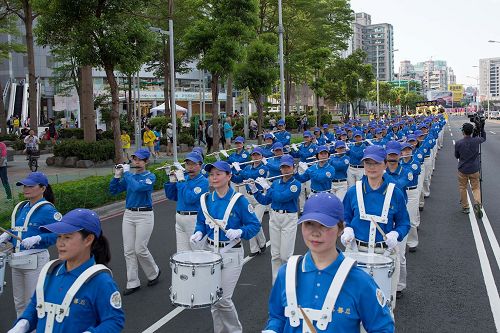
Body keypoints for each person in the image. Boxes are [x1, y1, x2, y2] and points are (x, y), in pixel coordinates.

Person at [263, 193, 395, 333]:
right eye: (309, 224)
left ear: (341, 229)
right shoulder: (286, 273)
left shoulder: (359, 281)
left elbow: (382, 327)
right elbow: (277, 317)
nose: (315, 233)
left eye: (324, 225)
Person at [8, 208, 125, 332]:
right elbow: (35, 305)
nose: (60, 244)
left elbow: (114, 320)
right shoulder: (50, 272)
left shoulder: (101, 281)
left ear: (88, 239)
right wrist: (22, 325)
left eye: (67, 237)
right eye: (59, 237)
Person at [190, 161, 260, 333]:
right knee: (213, 298)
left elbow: (254, 225)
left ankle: (235, 330)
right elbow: (201, 222)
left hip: (231, 253)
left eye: (219, 174)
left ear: (229, 176)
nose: (214, 177)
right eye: (212, 174)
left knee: (223, 299)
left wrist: (240, 232)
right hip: (210, 252)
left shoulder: (239, 200)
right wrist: (198, 232)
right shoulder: (206, 199)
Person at [341, 145, 410, 310]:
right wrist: (347, 229)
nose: (371, 167)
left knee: (383, 307)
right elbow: (345, 217)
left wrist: (396, 234)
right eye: (368, 163)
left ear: (385, 165)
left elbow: (404, 223)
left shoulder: (395, 193)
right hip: (357, 252)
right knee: (354, 307)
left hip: (384, 255)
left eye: (376, 163)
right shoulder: (353, 192)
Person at [0, 172, 61, 316]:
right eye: (24, 186)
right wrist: (7, 235)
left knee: (33, 302)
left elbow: (58, 233)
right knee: (19, 302)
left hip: (36, 260)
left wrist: (38, 239)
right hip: (18, 260)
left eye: (30, 186)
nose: (26, 189)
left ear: (42, 188)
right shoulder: (23, 207)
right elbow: (19, 230)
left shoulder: (48, 210)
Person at [109, 148, 161, 296]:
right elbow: (113, 191)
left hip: (145, 215)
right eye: (134, 159)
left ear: (146, 162)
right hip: (129, 214)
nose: (136, 162)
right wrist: (116, 176)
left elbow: (138, 188)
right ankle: (132, 282)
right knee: (128, 250)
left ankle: (154, 272)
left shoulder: (150, 176)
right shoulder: (129, 176)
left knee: (140, 249)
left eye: (139, 160)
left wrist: (126, 174)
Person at [251, 155, 301, 282]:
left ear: (293, 168)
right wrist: (255, 189)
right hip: (274, 217)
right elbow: (266, 200)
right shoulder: (276, 183)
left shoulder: (296, 184)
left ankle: (288, 281)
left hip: (289, 218)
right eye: (283, 167)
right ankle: (276, 283)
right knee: (275, 254)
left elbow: (281, 197)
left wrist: (267, 187)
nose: (285, 169)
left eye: (288, 167)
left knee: (286, 255)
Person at [164, 152, 209, 251]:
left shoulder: (204, 181)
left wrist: (181, 181)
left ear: (200, 165)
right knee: (182, 253)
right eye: (188, 164)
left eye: (194, 164)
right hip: (179, 217)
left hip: (194, 218)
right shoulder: (185, 178)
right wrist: (171, 181)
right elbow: (172, 196)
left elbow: (190, 199)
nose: (190, 167)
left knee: (198, 251)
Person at [232, 147, 269, 257]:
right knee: (250, 222)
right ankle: (256, 247)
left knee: (255, 221)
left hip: (260, 197)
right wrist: (230, 173)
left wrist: (239, 170)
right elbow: (238, 179)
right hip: (248, 197)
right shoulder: (248, 167)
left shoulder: (264, 168)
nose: (255, 157)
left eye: (258, 155)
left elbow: (253, 176)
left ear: (262, 157)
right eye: (253, 155)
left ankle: (261, 244)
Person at [455, 122, 486, 216]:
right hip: (474, 169)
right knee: (476, 188)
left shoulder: (458, 143)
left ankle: (465, 207)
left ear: (463, 132)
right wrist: (482, 128)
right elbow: (483, 138)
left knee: (463, 188)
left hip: (463, 169)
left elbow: (457, 156)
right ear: (472, 131)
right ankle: (477, 203)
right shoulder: (476, 140)